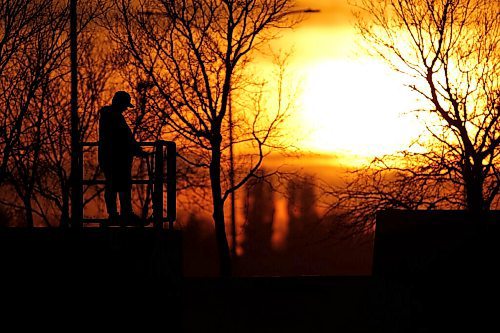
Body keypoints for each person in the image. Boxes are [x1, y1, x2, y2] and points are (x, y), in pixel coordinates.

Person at [98, 91, 149, 224]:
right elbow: (124, 137)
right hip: (116, 158)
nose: (125, 108)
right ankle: (123, 214)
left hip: (110, 157)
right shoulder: (114, 117)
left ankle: (116, 214)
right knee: (121, 186)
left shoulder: (109, 116)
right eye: (125, 105)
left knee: (115, 186)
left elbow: (124, 137)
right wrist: (137, 150)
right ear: (119, 103)